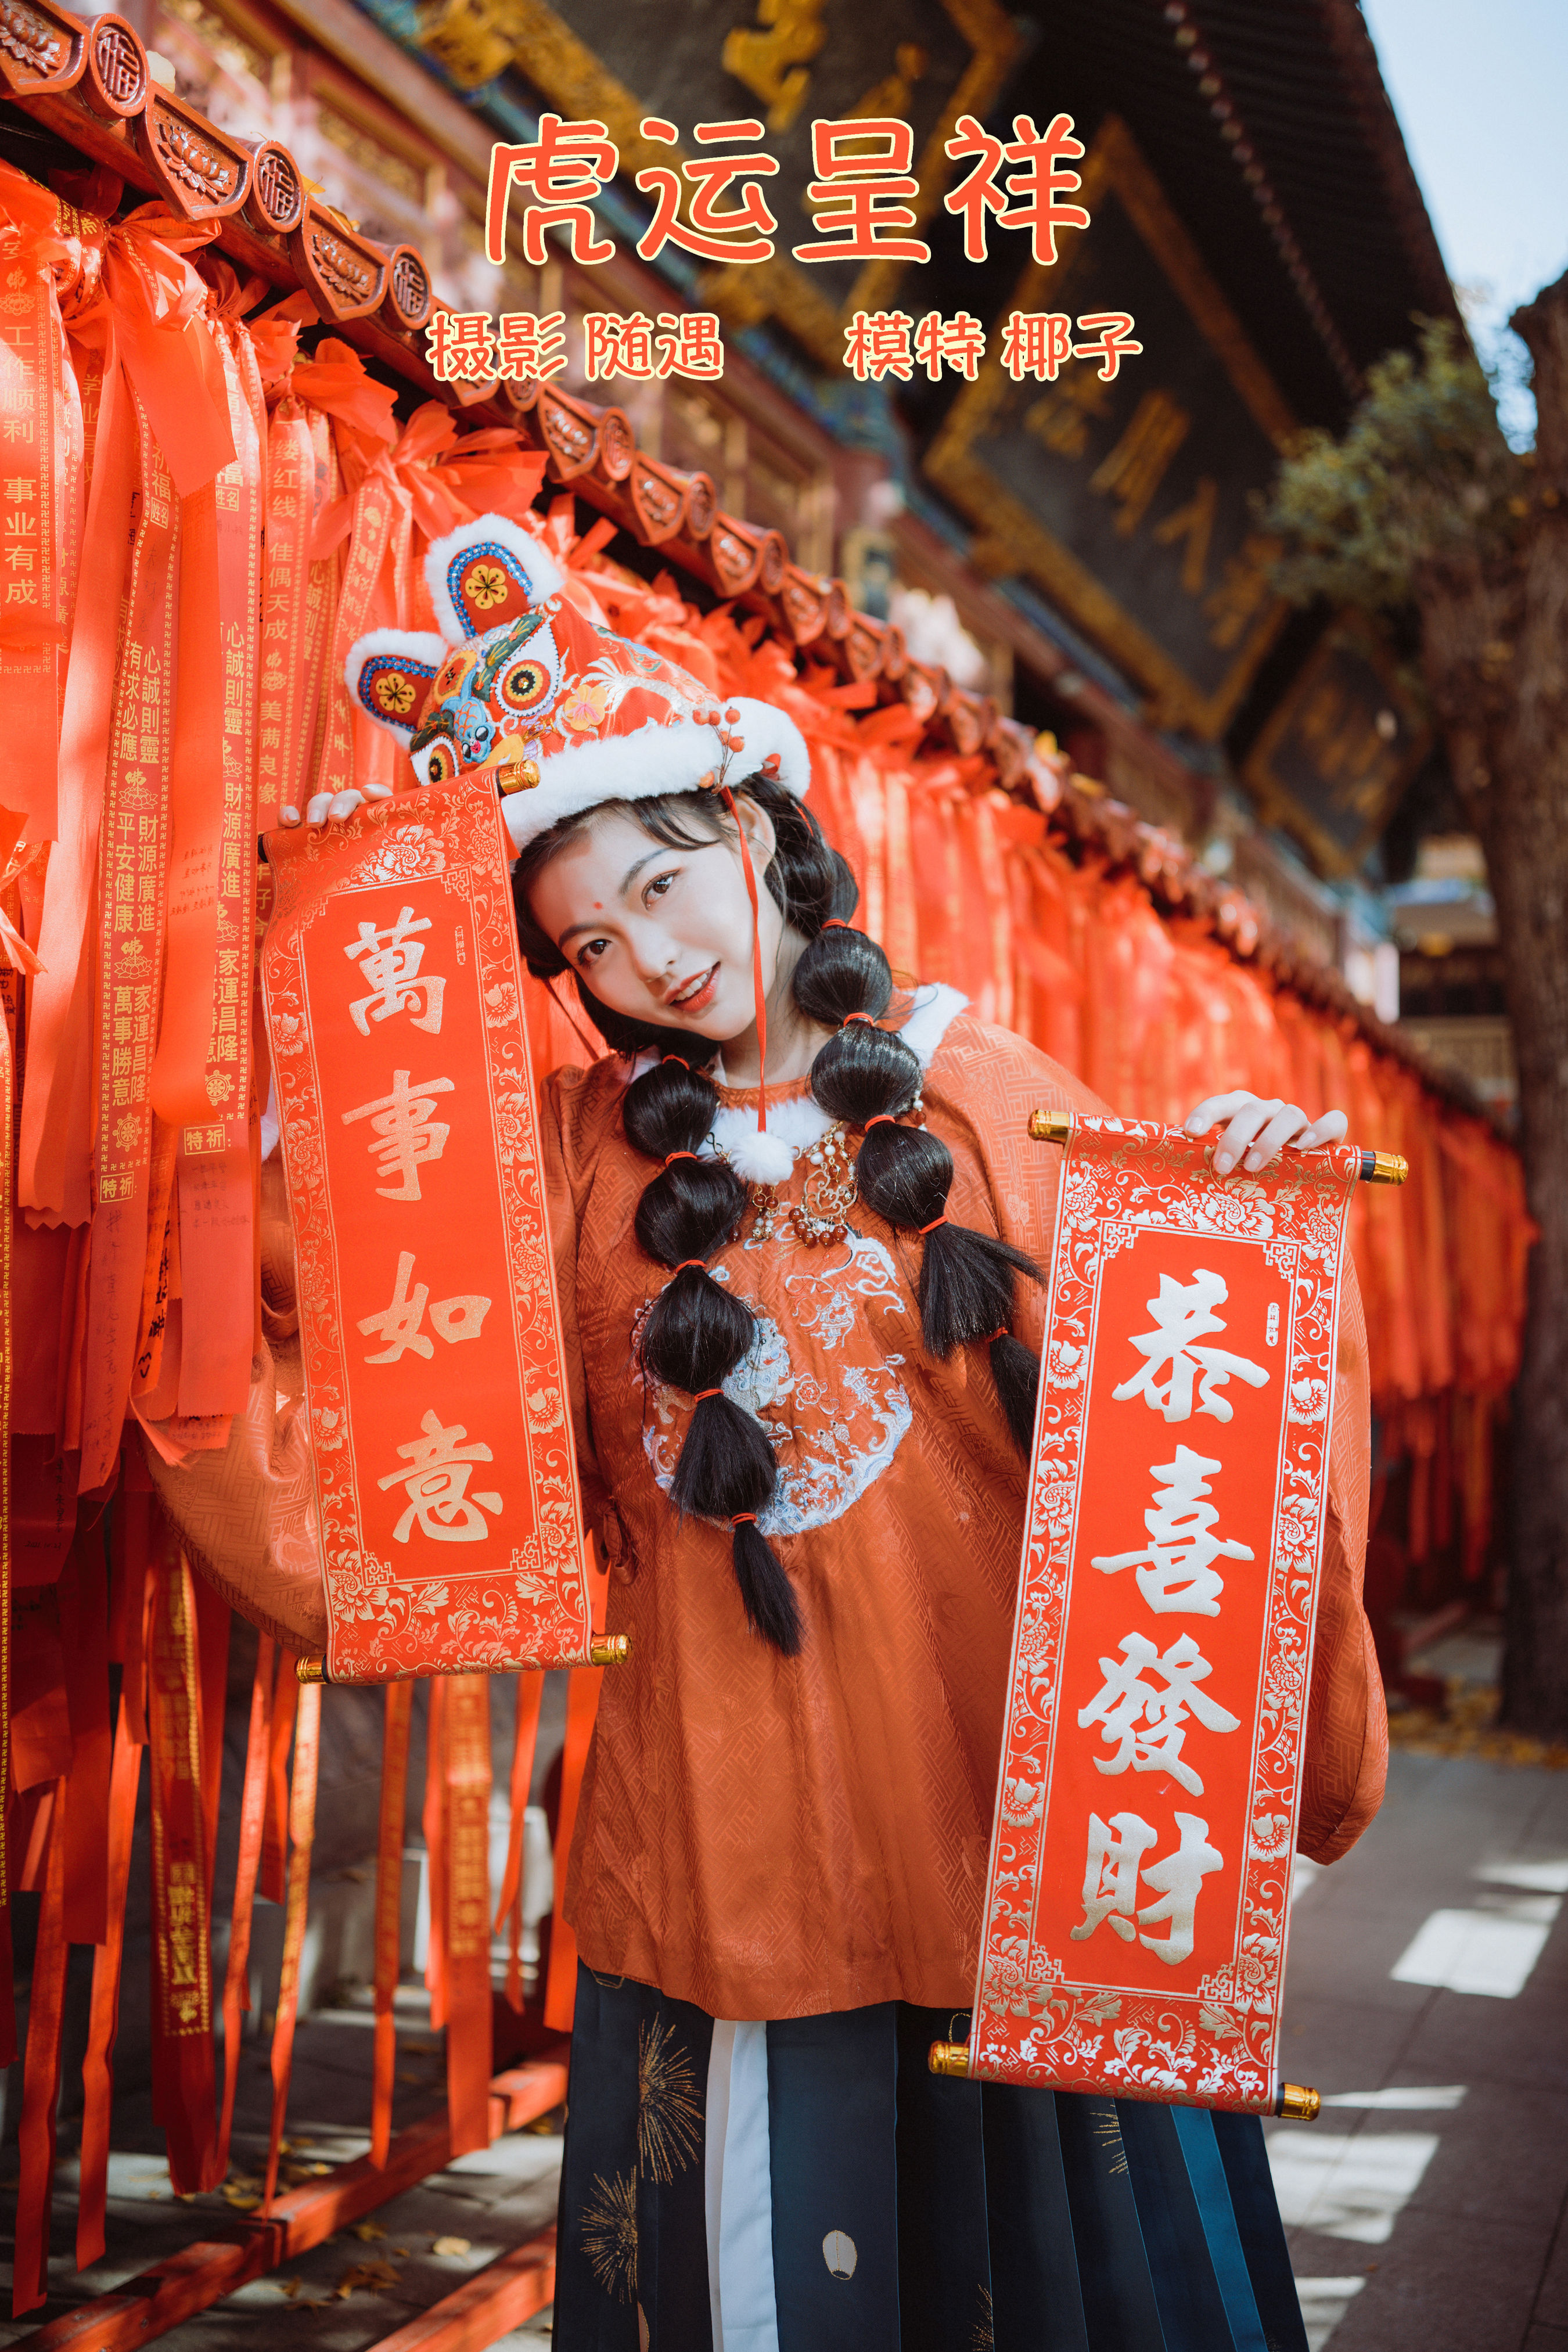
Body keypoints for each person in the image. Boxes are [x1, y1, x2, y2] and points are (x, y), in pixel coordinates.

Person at [167, 516, 1386, 2351]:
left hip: (1002, 1841)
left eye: (659, 888)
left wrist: (1235, 1194)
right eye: (585, 944)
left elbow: (1194, 1440)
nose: (643, 958)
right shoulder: (578, 1168)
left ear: (752, 830)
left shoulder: (983, 1101)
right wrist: (229, 1174)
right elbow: (349, 1358)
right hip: (721, 1857)